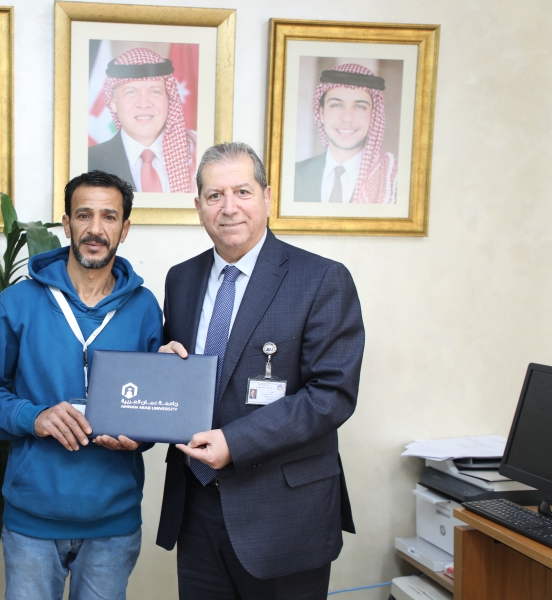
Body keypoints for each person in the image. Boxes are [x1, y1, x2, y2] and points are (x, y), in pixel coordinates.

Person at [156, 142, 365, 599]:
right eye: (215, 195)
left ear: (267, 197)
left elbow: (331, 395)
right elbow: (187, 379)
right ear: (198, 206)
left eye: (243, 192)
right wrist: (163, 373)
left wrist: (236, 442)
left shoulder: (321, 279)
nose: (229, 207)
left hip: (284, 514)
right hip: (196, 510)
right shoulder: (181, 279)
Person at [0, 170, 162, 599]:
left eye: (109, 217)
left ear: (125, 228)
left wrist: (140, 436)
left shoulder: (145, 308)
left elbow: (151, 405)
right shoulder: (18, 302)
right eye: (84, 215)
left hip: (113, 522)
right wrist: (34, 418)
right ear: (67, 223)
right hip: (33, 519)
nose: (95, 229)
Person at [88, 47, 196, 193]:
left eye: (155, 91)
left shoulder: (198, 154)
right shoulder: (89, 161)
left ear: (169, 98)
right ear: (113, 102)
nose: (144, 104)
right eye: (131, 92)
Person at [294, 63, 397, 204]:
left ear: (374, 116)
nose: (347, 118)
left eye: (360, 107)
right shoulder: (293, 175)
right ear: (321, 113)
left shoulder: (393, 180)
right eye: (336, 105)